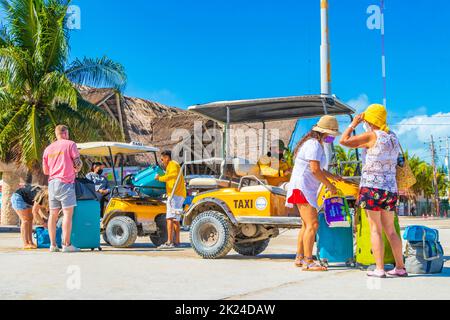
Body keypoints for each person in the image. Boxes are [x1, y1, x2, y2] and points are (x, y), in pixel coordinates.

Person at [340, 104, 407, 278]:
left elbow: (344, 141)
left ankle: (379, 269)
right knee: (391, 230)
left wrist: (353, 124)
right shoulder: (393, 137)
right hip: (390, 189)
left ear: (370, 119)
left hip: (372, 187)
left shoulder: (372, 135)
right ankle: (400, 267)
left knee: (375, 229)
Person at [286, 115, 341, 271]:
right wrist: (330, 186)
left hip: (303, 188)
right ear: (326, 133)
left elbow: (319, 168)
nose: (332, 138)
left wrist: (333, 177)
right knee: (313, 224)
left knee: (305, 225)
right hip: (302, 188)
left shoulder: (316, 144)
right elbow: (315, 170)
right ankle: (309, 262)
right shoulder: (314, 145)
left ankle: (300, 257)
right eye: (332, 135)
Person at [43, 125, 83, 253]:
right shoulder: (70, 144)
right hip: (65, 182)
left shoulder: (48, 149)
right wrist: (77, 168)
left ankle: (53, 245)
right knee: (67, 214)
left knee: (53, 215)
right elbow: (77, 163)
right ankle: (66, 244)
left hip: (52, 183)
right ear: (65, 133)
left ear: (56, 134)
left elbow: (45, 171)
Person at [155, 150, 186, 249]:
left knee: (169, 218)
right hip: (179, 194)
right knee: (176, 219)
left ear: (167, 157)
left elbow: (173, 175)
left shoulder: (172, 164)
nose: (162, 161)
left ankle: (169, 242)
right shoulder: (174, 165)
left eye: (162, 159)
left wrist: (160, 178)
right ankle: (177, 241)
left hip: (174, 195)